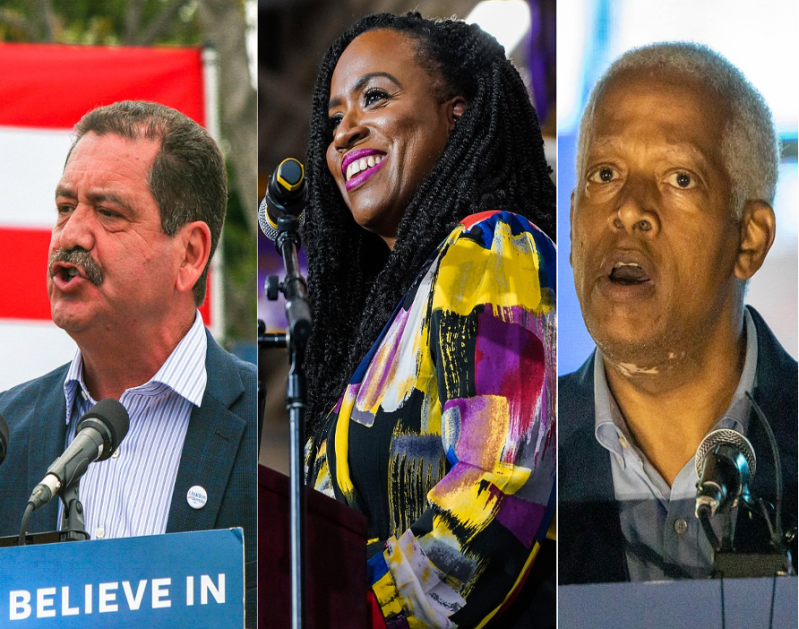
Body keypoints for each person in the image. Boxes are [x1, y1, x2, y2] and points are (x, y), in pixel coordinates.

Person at [302, 13, 556, 629]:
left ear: (457, 113)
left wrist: (359, 608)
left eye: (376, 98)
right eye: (335, 118)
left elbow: (495, 486)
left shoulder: (492, 248)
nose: (344, 133)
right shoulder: (382, 324)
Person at [0, 101, 256, 625]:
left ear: (189, 254)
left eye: (109, 212)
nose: (71, 234)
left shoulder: (275, 425)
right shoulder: (7, 436)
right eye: (65, 206)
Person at [559, 43, 799, 584]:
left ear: (750, 239)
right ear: (573, 224)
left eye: (680, 179)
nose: (629, 209)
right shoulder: (518, 457)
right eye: (605, 174)